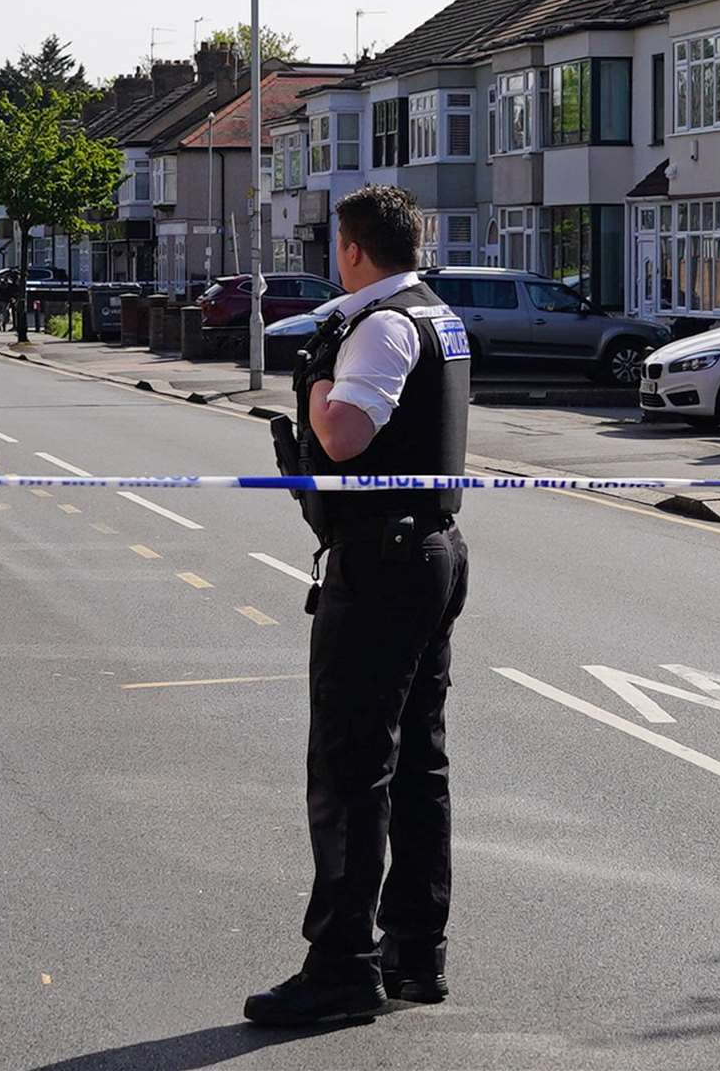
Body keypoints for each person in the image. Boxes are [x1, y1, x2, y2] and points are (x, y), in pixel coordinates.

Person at [246, 185, 471, 1027]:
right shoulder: (434, 314)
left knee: (349, 767)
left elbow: (343, 436)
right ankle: (418, 952)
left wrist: (310, 392)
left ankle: (342, 965)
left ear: (351, 249)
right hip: (432, 550)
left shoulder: (379, 326)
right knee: (419, 759)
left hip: (382, 561)